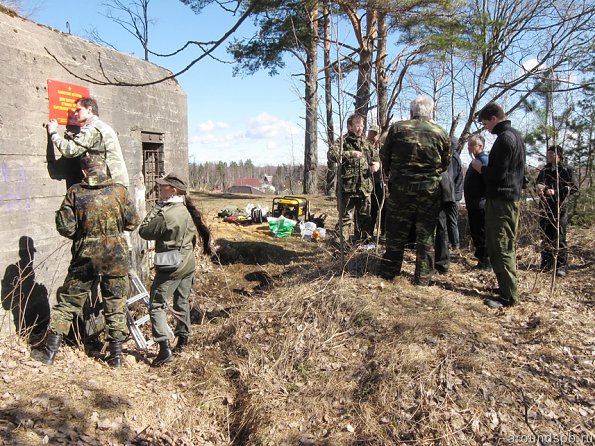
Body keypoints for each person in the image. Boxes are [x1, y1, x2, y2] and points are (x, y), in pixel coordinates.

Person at [30, 154, 139, 367]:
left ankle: (50, 353)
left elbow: (66, 227)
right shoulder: (120, 192)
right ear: (104, 169)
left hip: (85, 256)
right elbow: (132, 222)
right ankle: (116, 358)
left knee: (68, 303)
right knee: (115, 303)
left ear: (84, 172)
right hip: (115, 257)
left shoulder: (75, 192)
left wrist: (84, 235)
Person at [138, 172, 213, 367]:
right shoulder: (186, 209)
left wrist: (157, 207)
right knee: (182, 302)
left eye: (163, 187)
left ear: (173, 190)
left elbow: (144, 231)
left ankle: (164, 349)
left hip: (171, 266)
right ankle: (183, 339)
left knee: (156, 305)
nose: (159, 189)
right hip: (188, 264)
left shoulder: (166, 213)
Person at [379, 95, 451, 285]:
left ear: (411, 113)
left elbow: (384, 157)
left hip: (401, 190)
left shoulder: (397, 128)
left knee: (396, 232)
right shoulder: (441, 132)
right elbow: (445, 163)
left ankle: (389, 272)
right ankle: (423, 279)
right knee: (425, 235)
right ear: (430, 112)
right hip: (429, 192)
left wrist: (394, 173)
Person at [471, 102, 526, 308]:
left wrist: (480, 168)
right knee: (502, 244)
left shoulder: (505, 139)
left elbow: (497, 174)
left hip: (502, 201)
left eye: (485, 123)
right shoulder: (515, 136)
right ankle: (505, 287)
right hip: (508, 199)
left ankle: (509, 297)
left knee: (500, 246)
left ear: (494, 118)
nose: (485, 127)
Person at [46, 97, 129, 187]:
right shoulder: (104, 126)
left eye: (79, 110)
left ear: (89, 110)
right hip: (118, 182)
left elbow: (69, 150)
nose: (76, 113)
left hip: (108, 185)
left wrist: (53, 133)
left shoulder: (92, 129)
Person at [328, 114, 380, 244]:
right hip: (347, 189)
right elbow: (331, 154)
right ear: (350, 126)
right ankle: (340, 249)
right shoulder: (343, 141)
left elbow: (376, 158)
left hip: (364, 189)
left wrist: (377, 165)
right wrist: (351, 154)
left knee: (365, 219)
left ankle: (363, 245)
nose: (360, 129)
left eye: (362, 126)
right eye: (357, 126)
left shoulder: (366, 143)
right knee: (345, 218)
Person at [535, 145, 578, 277]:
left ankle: (562, 266)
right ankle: (546, 264)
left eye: (550, 154)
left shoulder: (567, 170)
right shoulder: (545, 169)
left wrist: (557, 192)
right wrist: (540, 189)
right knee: (546, 236)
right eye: (547, 154)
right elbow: (538, 182)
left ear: (558, 155)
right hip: (545, 207)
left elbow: (574, 188)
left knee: (560, 237)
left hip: (560, 208)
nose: (548, 156)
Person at [464, 134, 490, 270]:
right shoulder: (476, 160)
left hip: (481, 205)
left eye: (471, 145)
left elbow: (489, 180)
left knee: (482, 234)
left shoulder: (483, 160)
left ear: (480, 146)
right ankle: (482, 261)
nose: (469, 147)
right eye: (468, 145)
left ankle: (486, 262)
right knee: (477, 233)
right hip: (474, 205)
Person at [434, 142, 461, 275]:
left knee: (441, 227)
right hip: (441, 191)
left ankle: (441, 265)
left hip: (442, 191)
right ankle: (439, 263)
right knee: (439, 227)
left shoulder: (447, 154)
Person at [367, 125, 386, 241]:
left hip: (382, 182)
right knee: (372, 209)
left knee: (384, 209)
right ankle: (368, 232)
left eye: (375, 134)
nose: (372, 136)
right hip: (370, 182)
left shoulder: (383, 149)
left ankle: (383, 233)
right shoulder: (365, 147)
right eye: (371, 133)